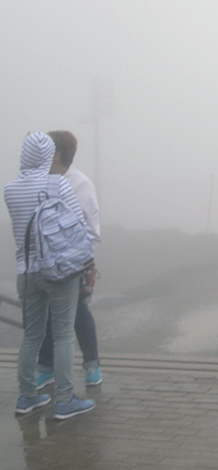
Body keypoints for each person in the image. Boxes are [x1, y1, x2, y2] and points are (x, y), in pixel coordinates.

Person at [5, 132, 96, 419]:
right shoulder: (57, 184)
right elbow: (77, 226)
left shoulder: (10, 189)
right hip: (58, 271)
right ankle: (65, 400)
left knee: (31, 336)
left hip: (26, 271)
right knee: (62, 336)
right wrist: (88, 267)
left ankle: (27, 397)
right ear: (49, 155)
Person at [36, 130, 103, 388]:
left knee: (78, 312)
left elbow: (92, 228)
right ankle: (46, 367)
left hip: (74, 262)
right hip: (45, 262)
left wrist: (75, 257)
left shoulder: (81, 184)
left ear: (56, 154)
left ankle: (91, 365)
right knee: (47, 313)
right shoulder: (40, 180)